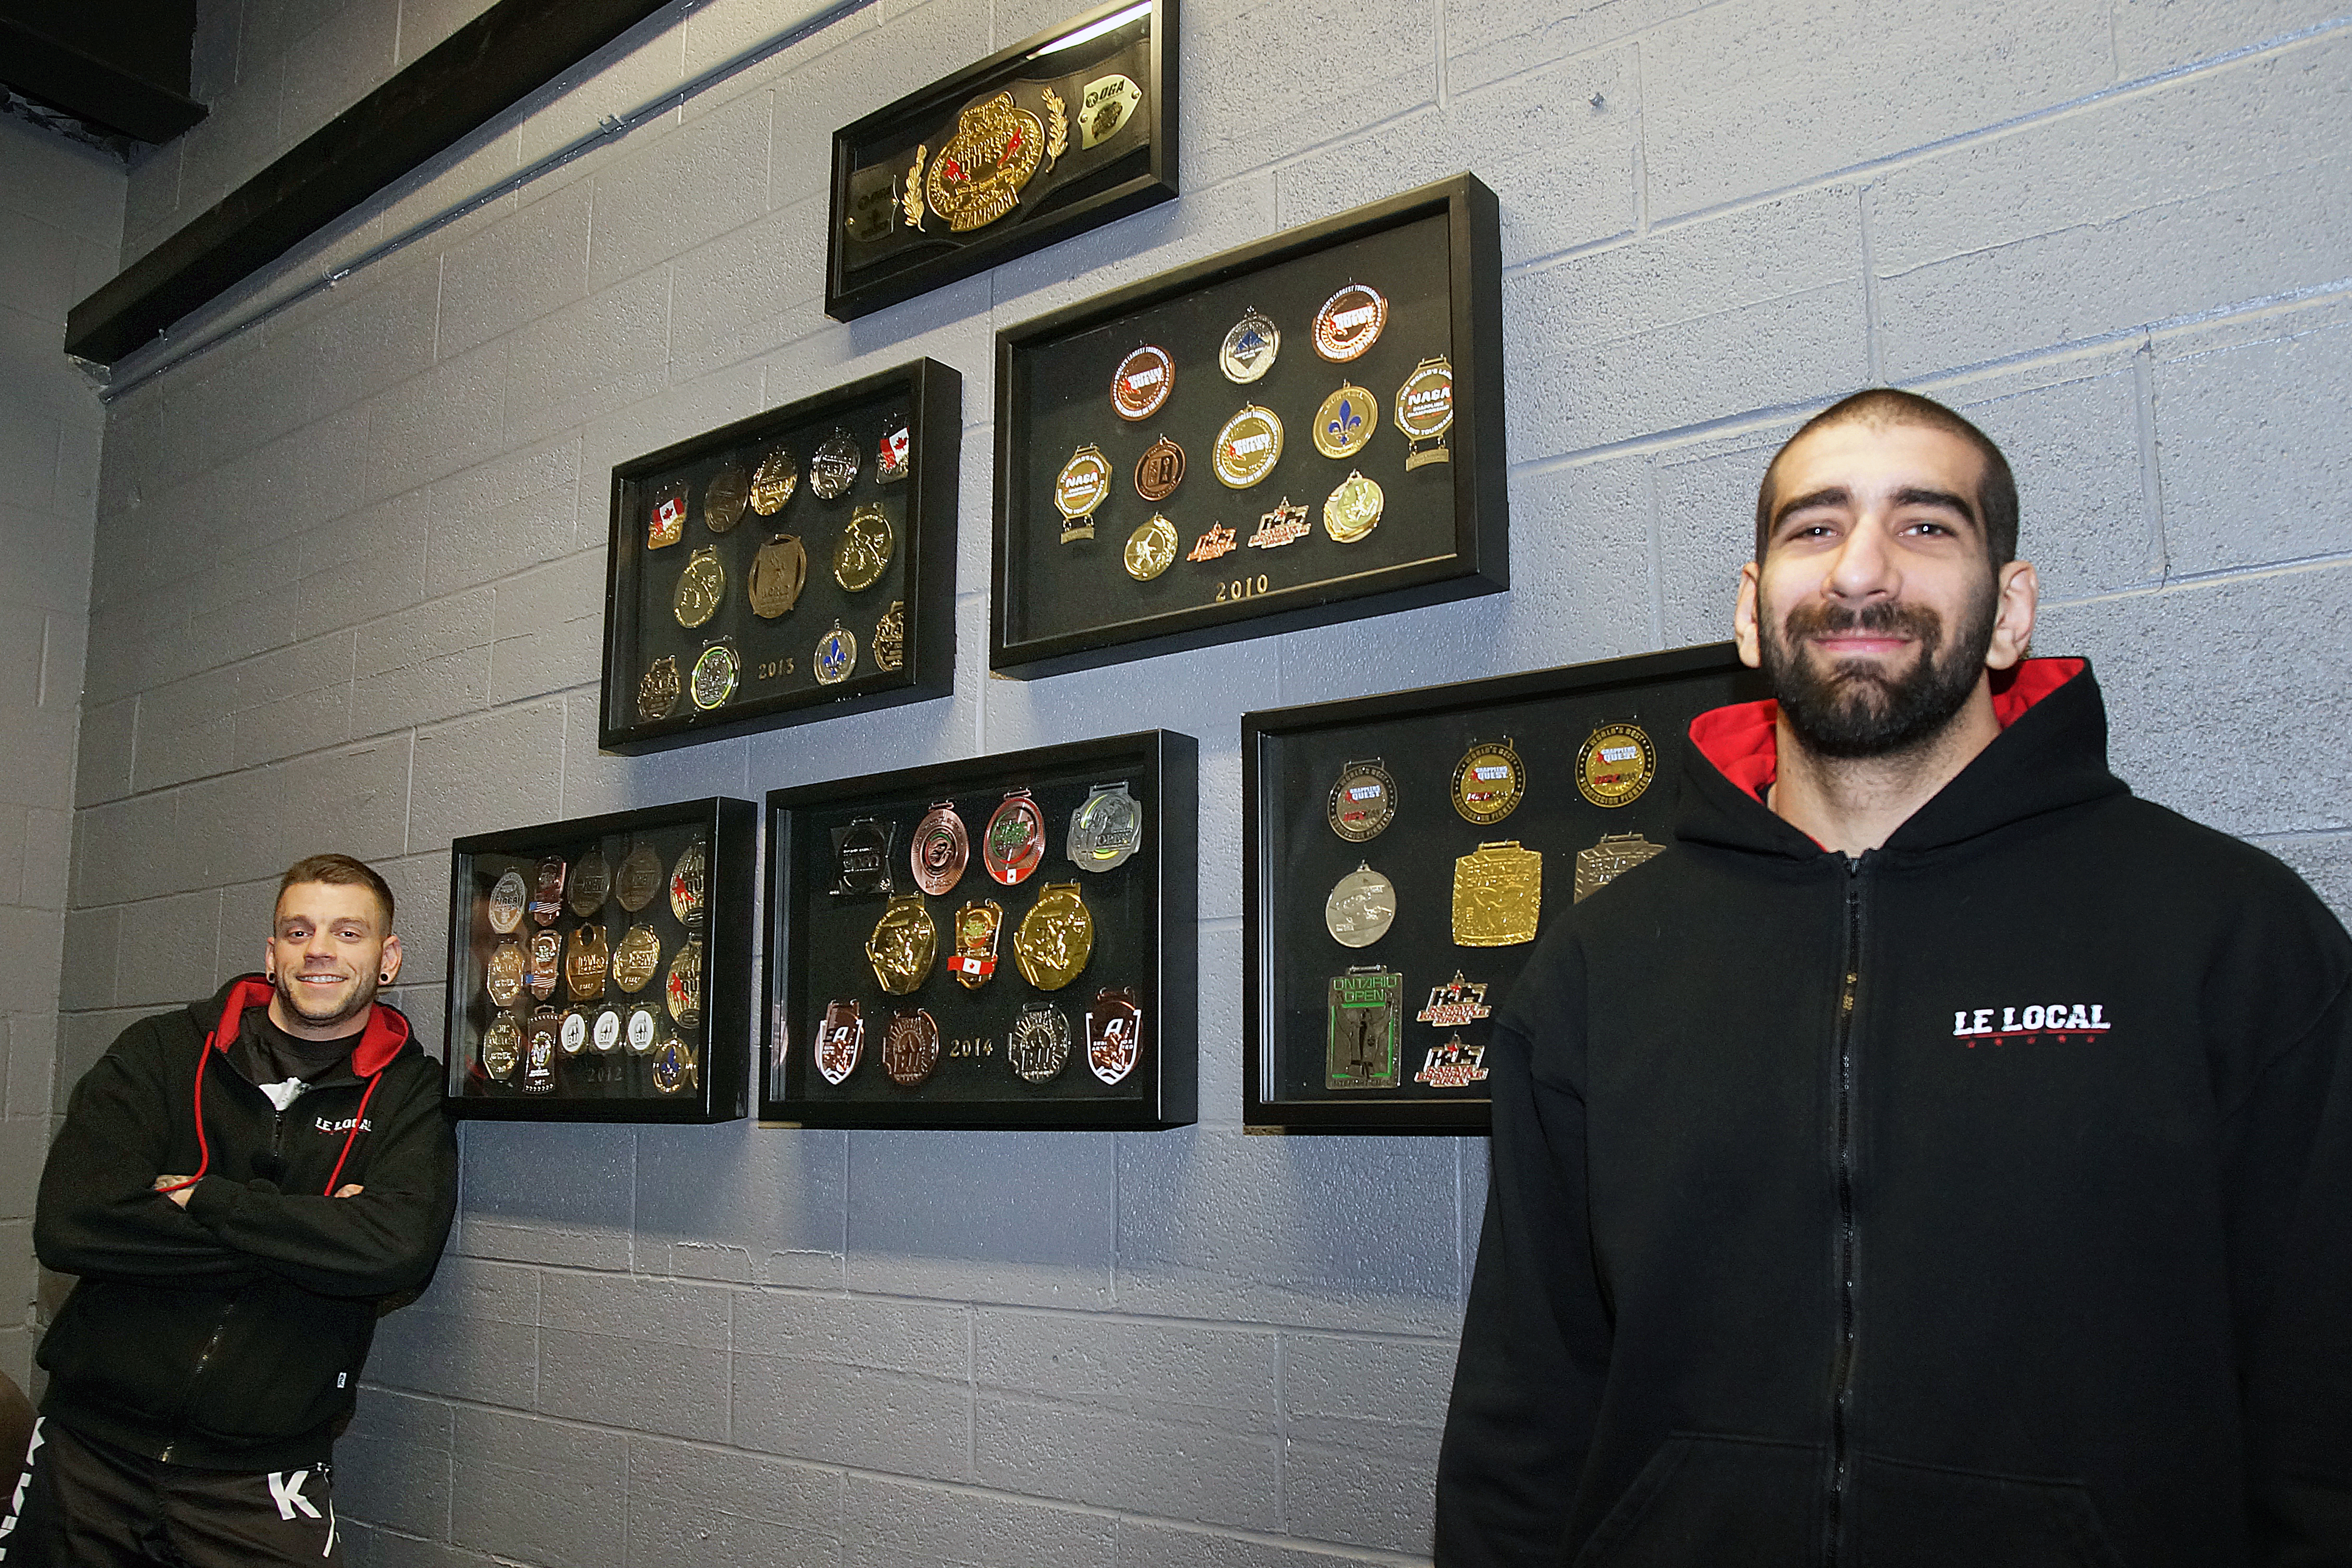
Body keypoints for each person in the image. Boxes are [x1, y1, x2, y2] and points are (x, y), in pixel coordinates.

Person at [1433, 389, 2352, 1567]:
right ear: (1752, 614)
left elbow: (2321, 1419)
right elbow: (1526, 1411)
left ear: (2008, 608)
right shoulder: (1597, 966)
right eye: (1813, 528)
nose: (1861, 570)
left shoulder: (2231, 935)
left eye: (1926, 527)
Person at [7, 854, 458, 1565]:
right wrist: (313, 1229)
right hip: (87, 1451)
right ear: (271, 952)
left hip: (263, 1477)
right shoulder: (159, 1052)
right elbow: (71, 1222)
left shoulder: (411, 1093)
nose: (320, 950)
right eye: (298, 930)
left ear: (387, 957)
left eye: (348, 932)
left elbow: (397, 1251)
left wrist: (203, 1196)